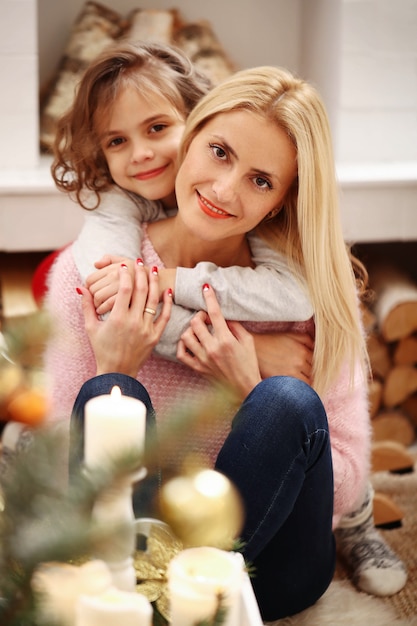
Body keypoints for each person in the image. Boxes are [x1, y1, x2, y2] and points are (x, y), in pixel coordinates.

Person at [62, 65, 406, 619]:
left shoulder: (308, 294)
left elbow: (340, 483)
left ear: (282, 202)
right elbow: (56, 474)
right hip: (129, 544)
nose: (225, 189)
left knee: (286, 401)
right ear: (191, 136)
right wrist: (113, 367)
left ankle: (178, 599)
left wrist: (251, 389)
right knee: (109, 391)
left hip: (264, 568)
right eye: (220, 152)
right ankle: (161, 594)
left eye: (261, 180)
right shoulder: (103, 270)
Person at [50, 39, 313, 365]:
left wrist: (169, 279)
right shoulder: (114, 204)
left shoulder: (249, 210)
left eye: (157, 128)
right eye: (117, 140)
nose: (141, 153)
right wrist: (250, 349)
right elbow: (124, 304)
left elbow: (293, 294)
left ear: (198, 119)